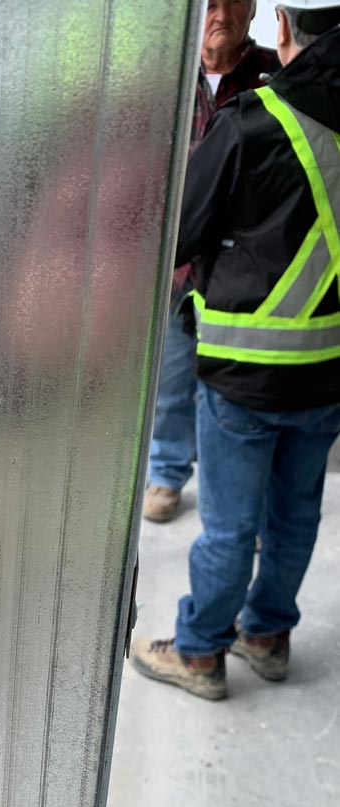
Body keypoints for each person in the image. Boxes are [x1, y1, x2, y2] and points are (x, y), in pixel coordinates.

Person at [132, 2, 340, 699]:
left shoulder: (252, 119)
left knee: (227, 527)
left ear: (278, 24)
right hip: (327, 370)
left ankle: (199, 653)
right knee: (295, 515)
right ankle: (267, 636)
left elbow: (180, 235)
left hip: (244, 375)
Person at [143, 0, 279, 523]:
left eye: (233, 2)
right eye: (210, 3)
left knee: (240, 395)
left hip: (246, 270)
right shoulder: (168, 79)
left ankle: (247, 501)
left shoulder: (274, 74)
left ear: (253, 9)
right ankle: (167, 473)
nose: (220, 13)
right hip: (178, 265)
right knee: (171, 381)